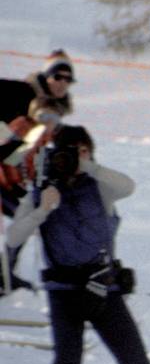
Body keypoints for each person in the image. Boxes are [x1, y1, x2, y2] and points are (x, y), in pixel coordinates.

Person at [9, 125, 150, 364]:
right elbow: (13, 238)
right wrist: (42, 210)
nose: (78, 156)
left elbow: (128, 186)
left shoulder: (101, 186)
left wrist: (88, 166)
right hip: (64, 293)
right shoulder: (42, 192)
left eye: (84, 150)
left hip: (103, 287)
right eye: (71, 151)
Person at [0, 49, 76, 291]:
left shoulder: (54, 109)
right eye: (57, 76)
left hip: (13, 176)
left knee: (29, 217)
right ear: (46, 76)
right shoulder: (23, 93)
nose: (62, 83)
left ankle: (4, 272)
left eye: (68, 79)